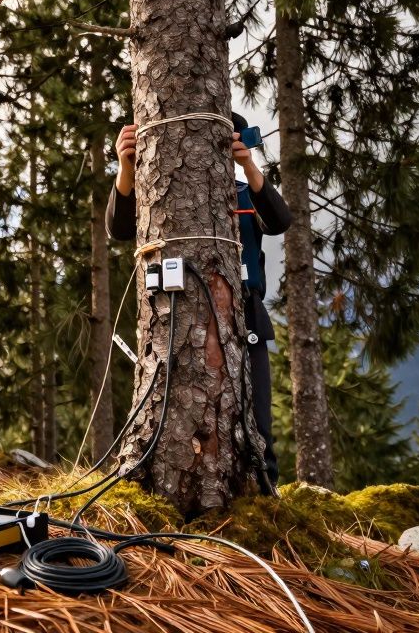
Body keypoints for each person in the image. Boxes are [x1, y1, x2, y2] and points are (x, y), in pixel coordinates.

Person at [105, 117, 292, 490]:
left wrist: (249, 165)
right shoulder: (162, 191)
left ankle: (266, 493)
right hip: (180, 316)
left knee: (258, 423)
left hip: (247, 315)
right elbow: (120, 229)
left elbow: (278, 220)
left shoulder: (242, 192)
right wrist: (125, 168)